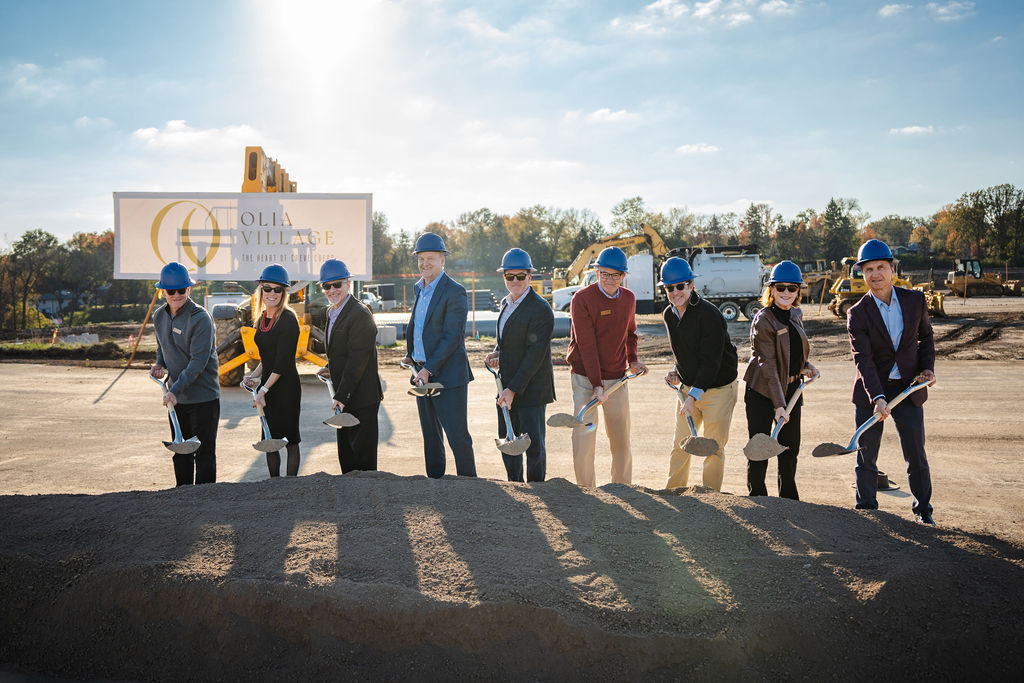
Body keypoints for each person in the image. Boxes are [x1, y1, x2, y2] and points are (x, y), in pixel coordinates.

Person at [847, 239, 937, 524]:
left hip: (908, 390)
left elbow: (926, 338)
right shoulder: (857, 313)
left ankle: (923, 511)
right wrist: (877, 397)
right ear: (862, 273)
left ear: (892, 268)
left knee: (916, 454)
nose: (876, 274)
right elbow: (863, 359)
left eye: (881, 267)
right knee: (866, 455)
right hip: (872, 393)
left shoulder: (915, 301)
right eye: (869, 269)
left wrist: (927, 369)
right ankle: (867, 513)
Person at [565, 246, 648, 487]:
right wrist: (596, 385)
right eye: (604, 274)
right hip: (584, 378)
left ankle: (622, 489)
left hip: (617, 378)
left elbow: (631, 334)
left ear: (624, 276)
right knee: (583, 436)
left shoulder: (629, 299)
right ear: (596, 272)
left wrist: (632, 360)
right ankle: (586, 490)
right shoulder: (582, 299)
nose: (609, 280)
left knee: (621, 438)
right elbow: (586, 344)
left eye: (615, 275)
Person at [661, 256, 738, 492]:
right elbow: (683, 351)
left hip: (719, 389)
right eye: (669, 288)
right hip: (689, 389)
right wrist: (677, 371)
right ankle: (673, 493)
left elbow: (711, 361)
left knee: (713, 447)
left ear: (691, 285)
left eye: (680, 286)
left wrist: (694, 396)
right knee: (680, 444)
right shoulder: (668, 314)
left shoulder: (710, 315)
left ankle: (710, 498)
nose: (675, 292)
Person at [403, 232, 476, 478]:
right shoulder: (419, 289)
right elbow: (420, 328)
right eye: (421, 259)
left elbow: (452, 337)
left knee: (457, 435)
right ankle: (435, 485)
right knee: (431, 436)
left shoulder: (455, 291)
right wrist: (411, 356)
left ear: (442, 260)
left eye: (430, 258)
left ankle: (470, 485)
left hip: (448, 376)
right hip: (421, 372)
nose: (425, 264)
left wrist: (428, 369)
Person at [743, 260, 818, 500]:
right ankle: (759, 499)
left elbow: (791, 350)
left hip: (791, 388)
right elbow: (768, 364)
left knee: (790, 446)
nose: (786, 293)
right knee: (761, 446)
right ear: (771, 290)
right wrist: (778, 405)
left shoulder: (795, 314)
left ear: (798, 291)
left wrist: (805, 366)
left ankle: (788, 500)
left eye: (792, 288)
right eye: (780, 287)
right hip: (763, 391)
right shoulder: (763, 320)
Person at [485, 248, 555, 482]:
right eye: (509, 276)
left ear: (530, 277)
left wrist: (512, 389)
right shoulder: (506, 304)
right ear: (503, 277)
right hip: (506, 387)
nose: (515, 281)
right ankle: (515, 485)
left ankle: (537, 490)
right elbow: (511, 342)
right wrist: (498, 353)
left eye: (520, 276)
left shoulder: (540, 308)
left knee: (533, 446)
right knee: (509, 441)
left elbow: (535, 353)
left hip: (531, 391)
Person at [149, 261, 220, 486]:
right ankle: (182, 501)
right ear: (163, 292)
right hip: (177, 399)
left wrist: (174, 390)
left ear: (189, 289)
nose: (177, 295)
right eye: (171, 291)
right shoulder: (159, 316)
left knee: (204, 453)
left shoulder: (200, 318)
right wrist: (159, 364)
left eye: (182, 290)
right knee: (181, 450)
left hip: (204, 398)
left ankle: (205, 503)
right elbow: (163, 345)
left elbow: (198, 363)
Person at [316, 258, 383, 473]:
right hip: (344, 396)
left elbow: (358, 359)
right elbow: (342, 350)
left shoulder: (360, 314)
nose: (333, 290)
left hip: (361, 398)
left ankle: (368, 505)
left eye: (338, 284)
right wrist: (330, 366)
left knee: (362, 462)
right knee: (346, 458)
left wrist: (341, 396)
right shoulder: (332, 312)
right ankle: (350, 506)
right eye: (328, 286)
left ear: (348, 283)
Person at [243, 263, 302, 477]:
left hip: (285, 388)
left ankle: (290, 486)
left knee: (290, 440)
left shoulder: (288, 319)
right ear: (261, 289)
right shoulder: (262, 318)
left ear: (284, 292)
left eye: (278, 289)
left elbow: (282, 362)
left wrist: (263, 390)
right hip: (267, 386)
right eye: (267, 288)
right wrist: (253, 376)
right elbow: (267, 358)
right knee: (270, 438)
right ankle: (274, 485)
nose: (272, 293)